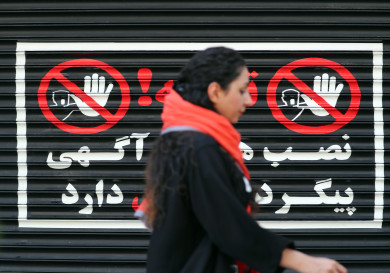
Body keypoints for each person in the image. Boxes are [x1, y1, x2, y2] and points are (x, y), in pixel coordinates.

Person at [137, 47, 347, 273]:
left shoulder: (182, 139)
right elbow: (228, 226)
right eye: (242, 90)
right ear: (215, 92)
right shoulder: (199, 148)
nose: (249, 100)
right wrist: (303, 262)